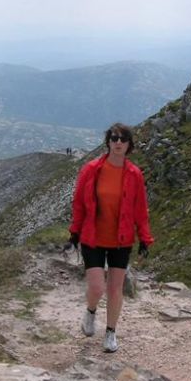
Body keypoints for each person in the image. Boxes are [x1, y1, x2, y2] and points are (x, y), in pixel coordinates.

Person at [68, 123, 153, 353]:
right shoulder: (91, 169)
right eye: (114, 138)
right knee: (97, 288)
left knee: (115, 289)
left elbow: (140, 210)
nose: (118, 142)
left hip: (121, 240)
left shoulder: (134, 174)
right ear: (108, 142)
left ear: (129, 145)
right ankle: (90, 312)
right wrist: (74, 232)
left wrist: (145, 238)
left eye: (123, 139)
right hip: (93, 237)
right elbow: (79, 203)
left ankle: (110, 332)